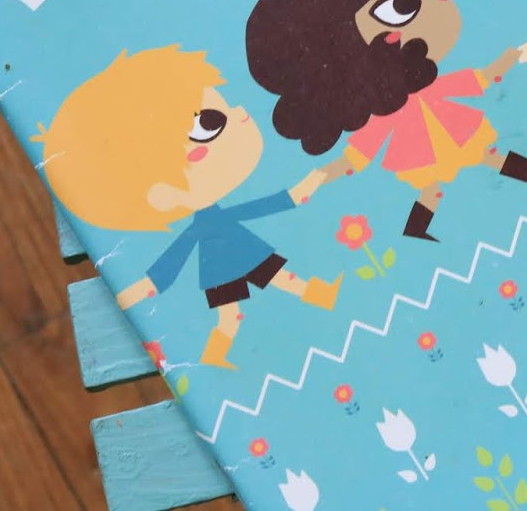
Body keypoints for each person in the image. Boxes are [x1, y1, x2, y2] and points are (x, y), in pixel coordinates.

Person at [36, 46, 339, 369]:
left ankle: (319, 298)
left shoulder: (212, 216)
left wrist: (304, 188)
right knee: (250, 301)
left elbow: (263, 206)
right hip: (224, 262)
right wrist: (131, 292)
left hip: (231, 257)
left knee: (265, 291)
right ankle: (231, 347)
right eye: (210, 122)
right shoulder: (202, 224)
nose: (241, 112)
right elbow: (170, 265)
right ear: (161, 194)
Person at [246, 0, 527, 243]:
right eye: (402, 7)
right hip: (418, 149)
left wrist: (508, 59)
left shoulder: (423, 83)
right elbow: (357, 157)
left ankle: (523, 169)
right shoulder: (382, 110)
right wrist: (321, 176)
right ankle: (417, 227)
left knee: (484, 155)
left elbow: (479, 79)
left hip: (449, 130)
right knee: (436, 186)